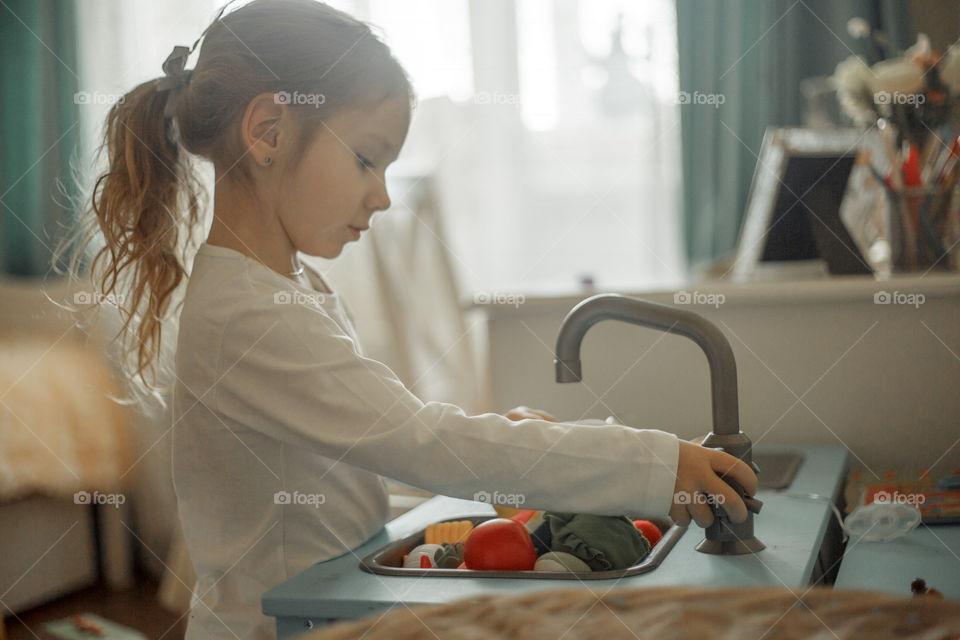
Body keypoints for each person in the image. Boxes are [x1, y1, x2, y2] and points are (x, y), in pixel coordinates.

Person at [62, 1, 757, 638]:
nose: (383, 196)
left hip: (313, 606)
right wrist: (658, 462)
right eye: (367, 158)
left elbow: (349, 476)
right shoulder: (249, 314)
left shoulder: (281, 287)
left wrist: (506, 451)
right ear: (270, 129)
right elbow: (422, 441)